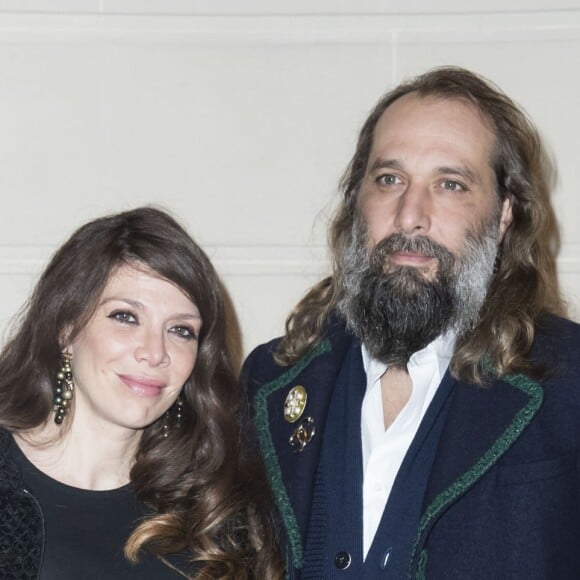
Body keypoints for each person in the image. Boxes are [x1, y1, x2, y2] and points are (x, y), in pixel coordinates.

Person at [242, 66, 580, 579]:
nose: (409, 215)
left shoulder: (569, 380)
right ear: (358, 199)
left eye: (450, 184)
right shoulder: (269, 380)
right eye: (389, 179)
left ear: (505, 211)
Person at [0, 207, 282, 579]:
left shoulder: (217, 503)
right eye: (125, 317)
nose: (154, 353)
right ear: (66, 329)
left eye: (181, 330)